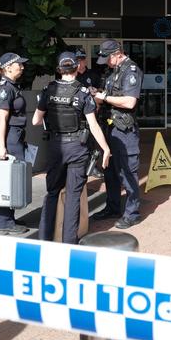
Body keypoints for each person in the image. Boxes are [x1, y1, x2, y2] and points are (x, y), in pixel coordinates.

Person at [33, 51, 111, 244]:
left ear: (59, 69)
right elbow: (93, 125)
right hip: (77, 149)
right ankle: (69, 243)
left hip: (55, 148)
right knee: (73, 197)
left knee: (52, 193)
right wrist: (106, 149)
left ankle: (44, 238)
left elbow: (36, 120)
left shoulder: (48, 90)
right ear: (77, 68)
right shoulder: (83, 92)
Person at [91, 39, 144, 229]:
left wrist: (104, 97)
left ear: (117, 54)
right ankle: (113, 207)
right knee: (111, 171)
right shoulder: (114, 72)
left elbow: (130, 102)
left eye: (107, 58)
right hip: (110, 128)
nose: (106, 62)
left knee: (128, 172)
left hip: (124, 131)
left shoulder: (131, 70)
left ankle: (132, 213)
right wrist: (98, 94)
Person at [0, 52, 30, 235]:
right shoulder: (5, 89)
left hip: (15, 136)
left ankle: (9, 218)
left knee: (13, 179)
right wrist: (2, 146)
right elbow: (2, 119)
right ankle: (4, 223)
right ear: (8, 67)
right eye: (19, 65)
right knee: (8, 180)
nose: (22, 67)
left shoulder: (13, 86)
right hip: (8, 138)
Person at [74, 46, 105, 179]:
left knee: (92, 142)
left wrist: (97, 99)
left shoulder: (93, 75)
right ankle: (78, 166)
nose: (80, 62)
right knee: (77, 142)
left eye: (82, 59)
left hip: (91, 114)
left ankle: (92, 167)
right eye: (77, 59)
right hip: (75, 115)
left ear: (85, 60)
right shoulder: (71, 75)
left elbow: (100, 92)